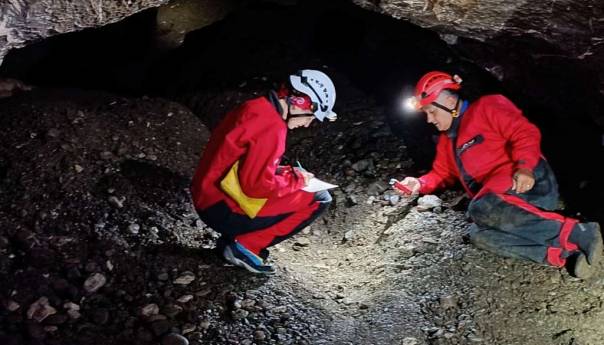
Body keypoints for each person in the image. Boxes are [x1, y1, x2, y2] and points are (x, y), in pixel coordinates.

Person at [397, 71, 602, 278]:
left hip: (528, 182)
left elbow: (524, 132)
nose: (429, 120)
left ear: (450, 102)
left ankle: (579, 231)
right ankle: (562, 255)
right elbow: (441, 174)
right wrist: (418, 183)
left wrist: (525, 167)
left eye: (431, 112)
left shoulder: (487, 106)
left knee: (479, 207)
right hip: (501, 203)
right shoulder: (446, 142)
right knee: (479, 235)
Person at [191, 69, 337, 274]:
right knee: (320, 198)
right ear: (300, 103)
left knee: (298, 185)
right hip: (220, 208)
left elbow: (242, 162)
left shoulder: (256, 107)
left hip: (207, 191)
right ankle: (244, 246)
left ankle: (236, 240)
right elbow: (256, 187)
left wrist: (287, 173)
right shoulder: (273, 128)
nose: (308, 123)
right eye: (312, 116)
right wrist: (296, 181)